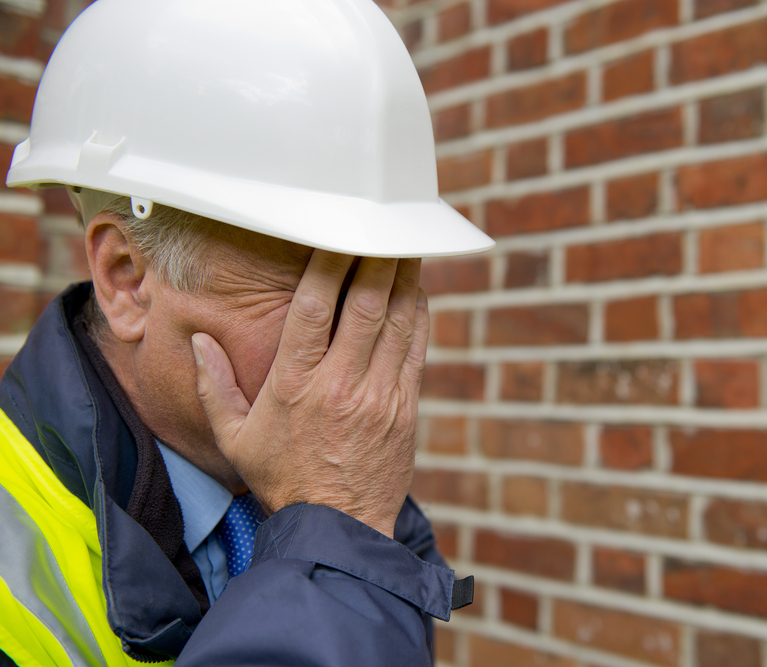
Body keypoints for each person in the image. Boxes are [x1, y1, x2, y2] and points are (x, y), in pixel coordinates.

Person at [0, 0, 492, 664]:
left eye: (382, 285)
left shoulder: (338, 492)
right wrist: (337, 549)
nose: (359, 346)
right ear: (126, 279)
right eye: (312, 286)